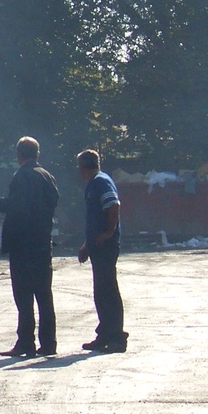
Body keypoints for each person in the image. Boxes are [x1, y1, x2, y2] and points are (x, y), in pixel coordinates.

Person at [0, 136, 60, 357]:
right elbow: (53, 202)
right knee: (44, 295)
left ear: (19, 155)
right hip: (42, 243)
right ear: (37, 153)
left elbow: (16, 206)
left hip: (22, 244)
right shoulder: (47, 176)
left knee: (24, 296)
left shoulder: (22, 176)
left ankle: (26, 342)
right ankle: (48, 343)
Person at [76, 149, 128, 353]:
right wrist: (87, 245)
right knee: (100, 291)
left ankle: (117, 337)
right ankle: (104, 334)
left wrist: (108, 233)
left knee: (108, 291)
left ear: (81, 167)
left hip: (106, 246)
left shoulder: (100, 182)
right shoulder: (95, 183)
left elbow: (113, 206)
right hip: (97, 245)